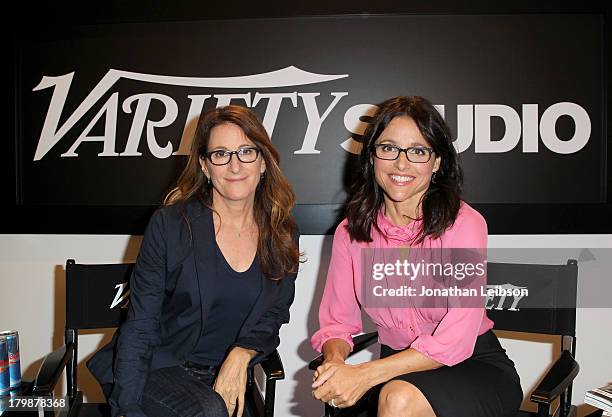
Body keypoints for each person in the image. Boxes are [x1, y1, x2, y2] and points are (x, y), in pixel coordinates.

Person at [310, 96, 522, 417]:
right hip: (394, 368)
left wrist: (364, 375)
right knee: (394, 395)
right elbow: (338, 323)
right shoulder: (350, 232)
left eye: (418, 151)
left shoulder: (464, 225)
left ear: (436, 162)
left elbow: (455, 339)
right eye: (389, 148)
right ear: (372, 157)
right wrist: (337, 364)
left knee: (398, 399)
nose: (401, 164)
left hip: (472, 366)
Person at [88, 105, 300, 417]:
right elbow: (141, 325)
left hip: (226, 373)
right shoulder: (170, 226)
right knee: (210, 410)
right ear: (204, 165)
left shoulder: (282, 232)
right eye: (220, 154)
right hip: (160, 368)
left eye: (246, 151)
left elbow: (274, 313)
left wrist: (241, 354)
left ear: (264, 162)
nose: (235, 165)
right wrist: (127, 409)